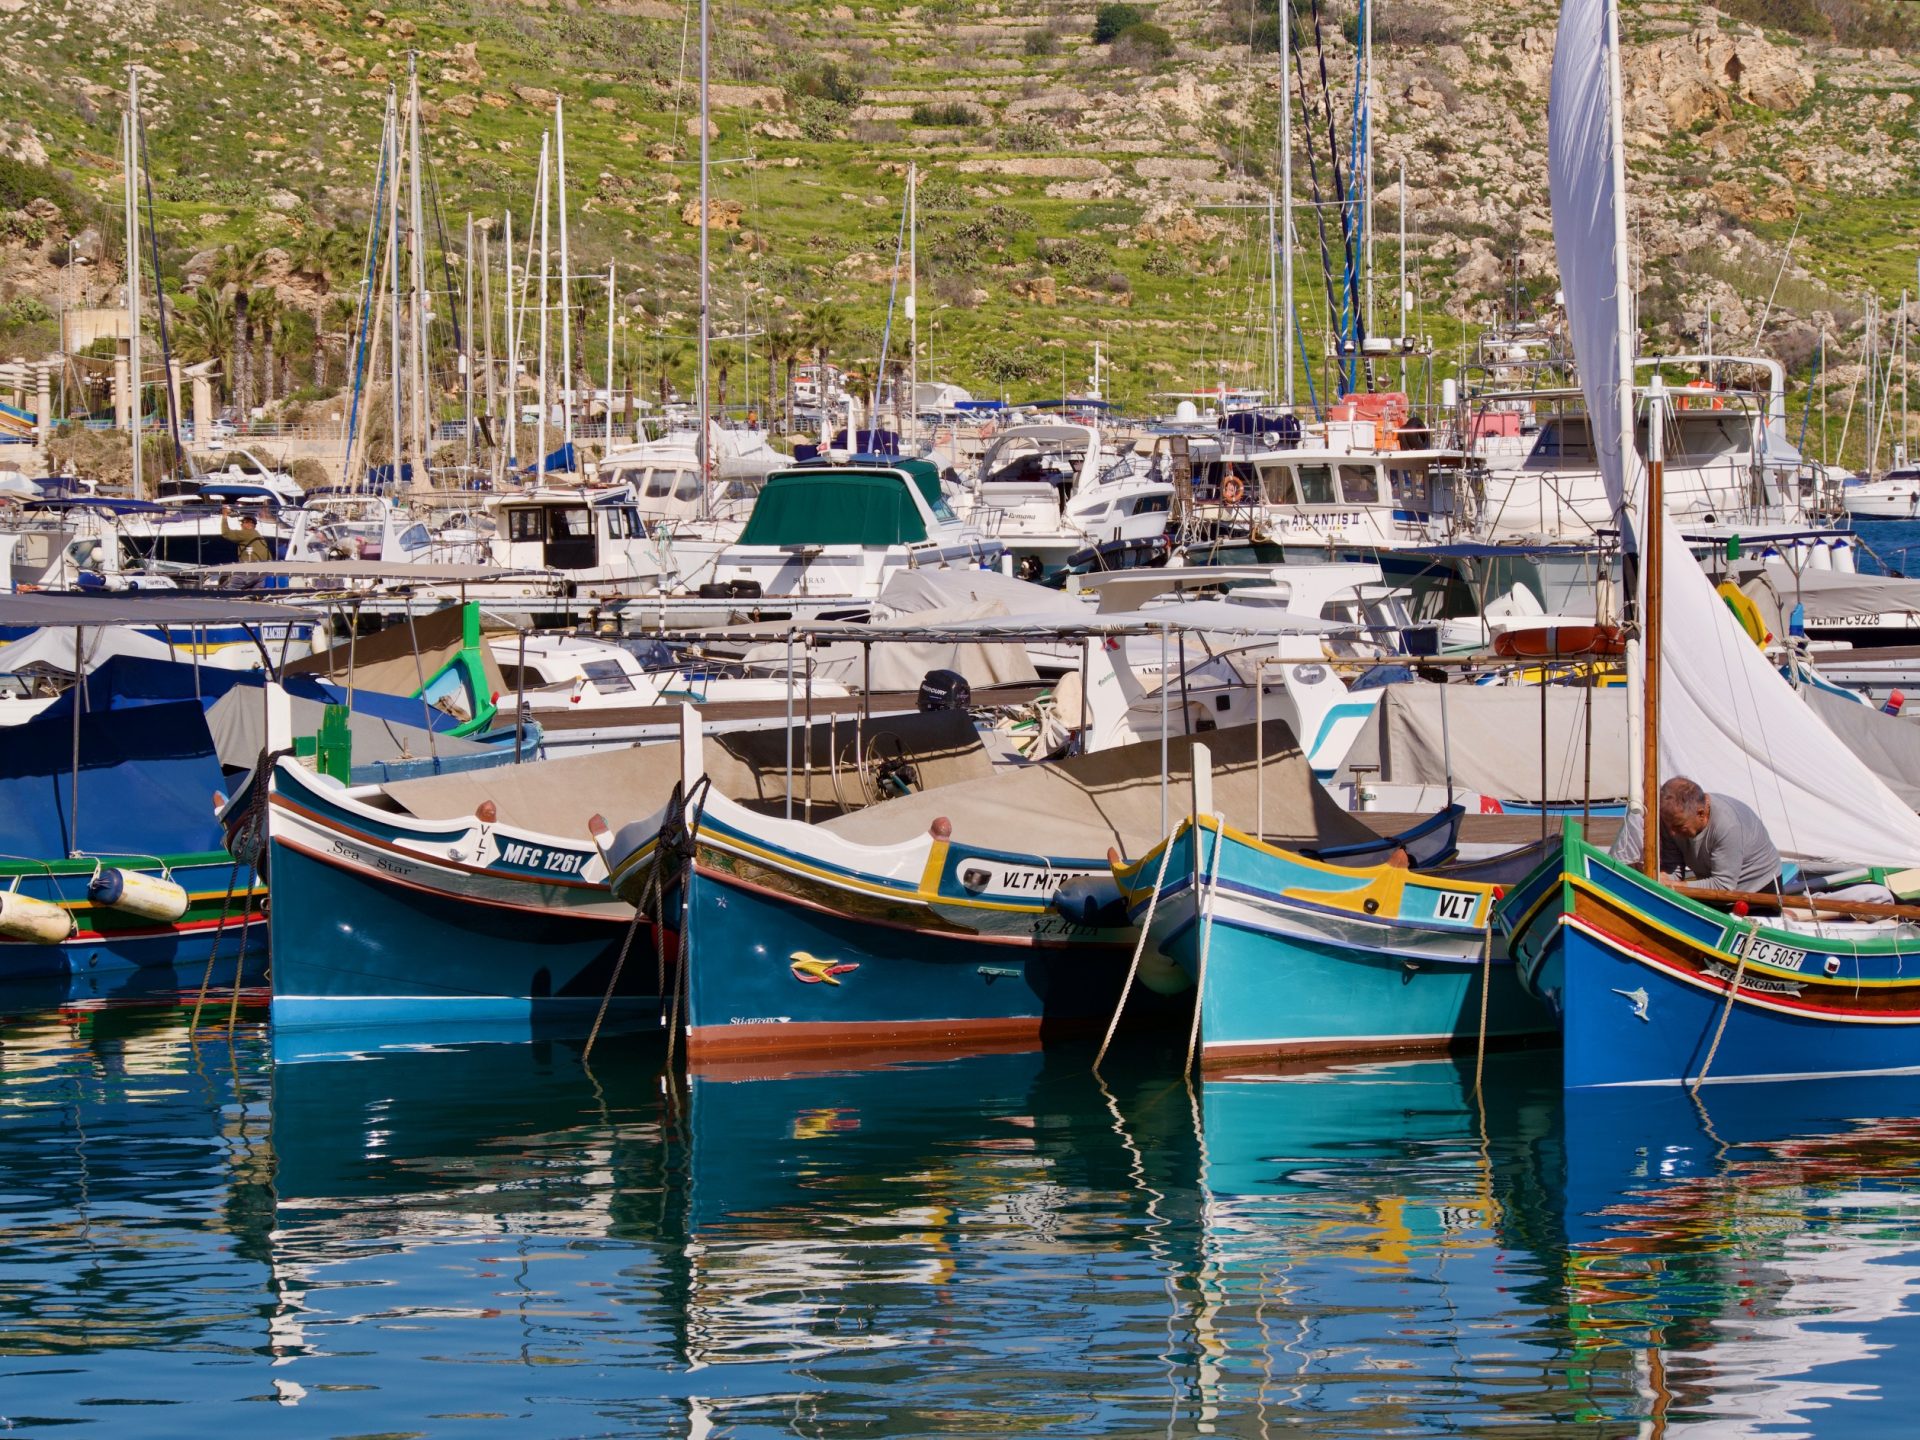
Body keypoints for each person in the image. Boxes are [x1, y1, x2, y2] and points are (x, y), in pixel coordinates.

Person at [1609, 776, 1781, 892]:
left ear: (1701, 813)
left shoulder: (1727, 826)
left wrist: (1674, 885)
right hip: (1713, 885)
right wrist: (1663, 878)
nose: (1672, 832)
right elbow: (1674, 868)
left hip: (1758, 888)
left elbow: (1723, 885)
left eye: (1678, 826)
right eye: (1668, 826)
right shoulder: (1671, 819)